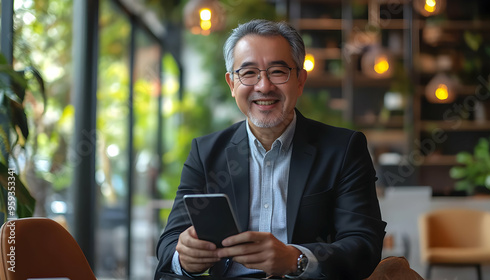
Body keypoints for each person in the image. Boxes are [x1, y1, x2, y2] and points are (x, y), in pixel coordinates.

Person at [155, 19, 386, 280]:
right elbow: (169, 243)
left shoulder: (343, 149)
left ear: (300, 80)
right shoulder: (206, 152)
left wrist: (295, 259)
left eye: (278, 71)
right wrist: (185, 257)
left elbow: (364, 245)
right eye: (249, 73)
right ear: (232, 84)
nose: (264, 86)